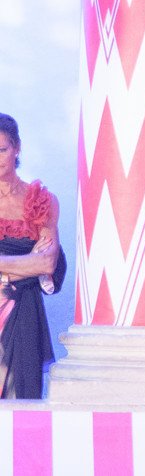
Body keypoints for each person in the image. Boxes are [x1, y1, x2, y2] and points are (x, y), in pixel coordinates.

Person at [0, 113, 66, 399]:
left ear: (17, 148)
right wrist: (27, 264)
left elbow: (47, 262)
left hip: (25, 312)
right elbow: (36, 262)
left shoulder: (40, 201)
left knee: (22, 400)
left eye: (1, 149)